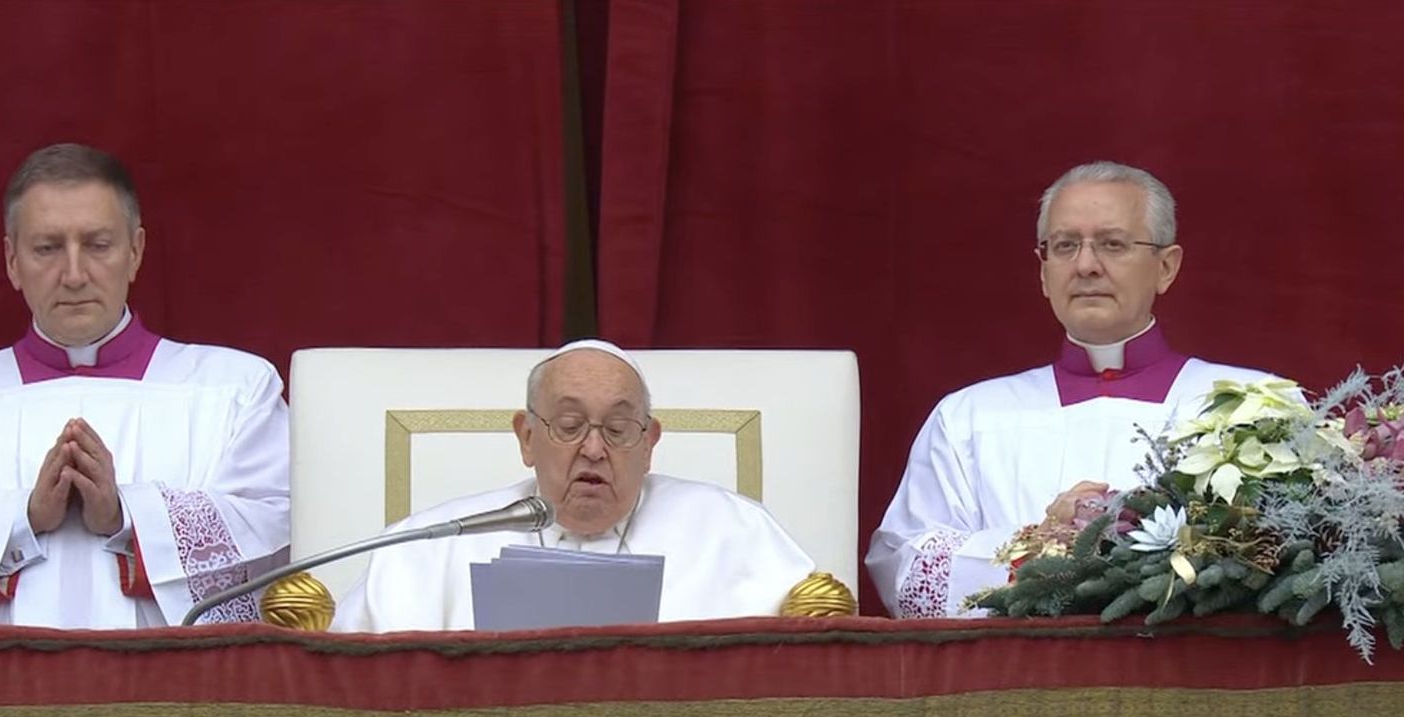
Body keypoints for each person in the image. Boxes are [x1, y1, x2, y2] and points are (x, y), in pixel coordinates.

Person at [0, 143, 289, 632]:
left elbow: (286, 526)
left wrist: (128, 515)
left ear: (135, 252)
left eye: (98, 244)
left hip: (171, 680)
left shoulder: (236, 390)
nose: (74, 275)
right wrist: (20, 518)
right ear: (12, 261)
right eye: (47, 248)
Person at [866, 161, 1274, 618]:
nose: (1085, 265)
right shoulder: (969, 417)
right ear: (1044, 272)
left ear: (1166, 267)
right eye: (1065, 246)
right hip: (1017, 665)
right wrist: (1036, 546)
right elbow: (904, 569)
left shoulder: (1252, 404)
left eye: (1113, 244)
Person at [335, 339, 814, 632]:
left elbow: (813, 659)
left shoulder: (734, 532)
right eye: (569, 425)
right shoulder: (429, 545)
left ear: (649, 443)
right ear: (527, 437)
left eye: (619, 429)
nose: (594, 448)